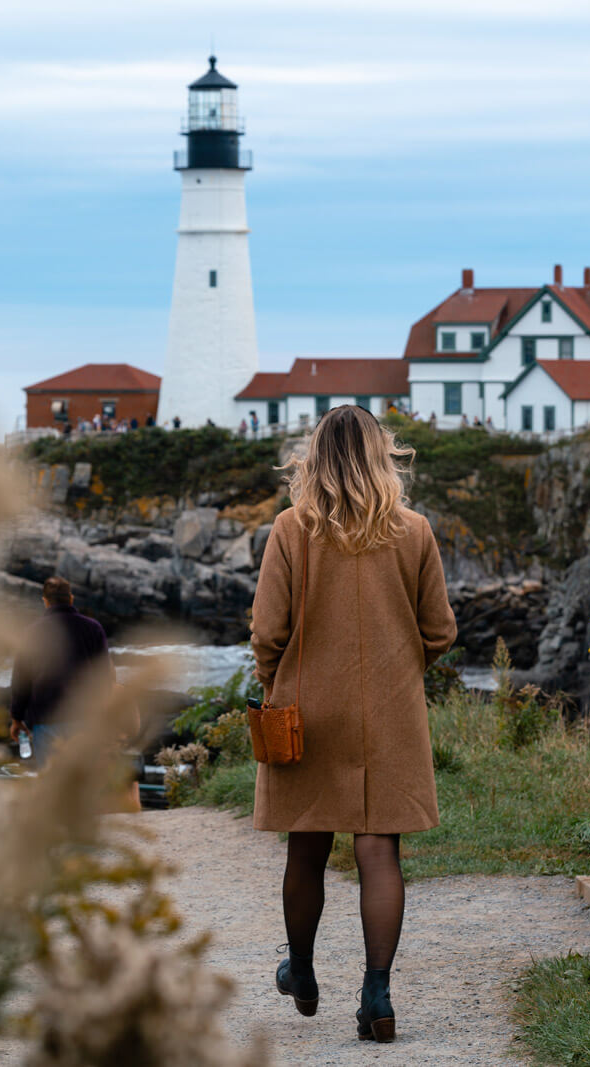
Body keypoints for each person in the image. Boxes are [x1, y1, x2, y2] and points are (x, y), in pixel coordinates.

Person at [250, 405, 456, 1044]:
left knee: (307, 846)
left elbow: (269, 631)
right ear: (380, 454)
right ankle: (377, 992)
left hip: (309, 706)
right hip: (389, 710)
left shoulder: (290, 529)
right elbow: (440, 630)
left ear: (313, 459)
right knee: (378, 850)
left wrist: (270, 680)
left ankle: (304, 971)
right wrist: (402, 663)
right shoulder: (414, 529)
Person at [9, 576, 114, 767]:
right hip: (85, 719)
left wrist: (17, 718)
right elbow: (104, 677)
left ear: (45, 601)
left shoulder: (31, 633)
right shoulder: (93, 628)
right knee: (82, 781)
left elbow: (21, 681)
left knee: (51, 784)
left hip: (46, 720)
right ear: (71, 598)